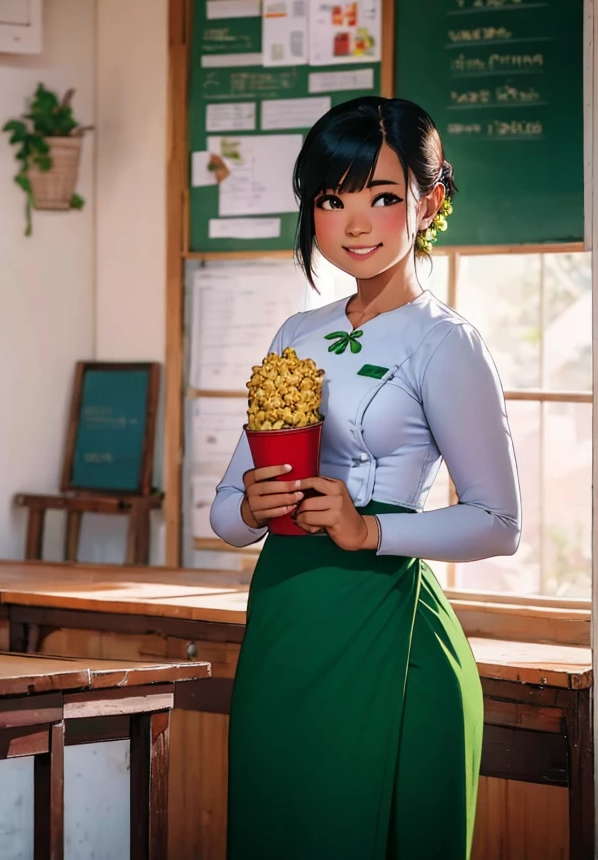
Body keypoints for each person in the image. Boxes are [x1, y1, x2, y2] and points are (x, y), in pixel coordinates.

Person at [210, 96, 521, 860]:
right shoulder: (297, 333)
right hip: (285, 619)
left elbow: (498, 522)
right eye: (332, 198)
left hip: (386, 623)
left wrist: (369, 528)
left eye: (383, 197)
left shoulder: (446, 344)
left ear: (429, 203)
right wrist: (251, 506)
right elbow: (222, 514)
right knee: (276, 826)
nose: (355, 222)